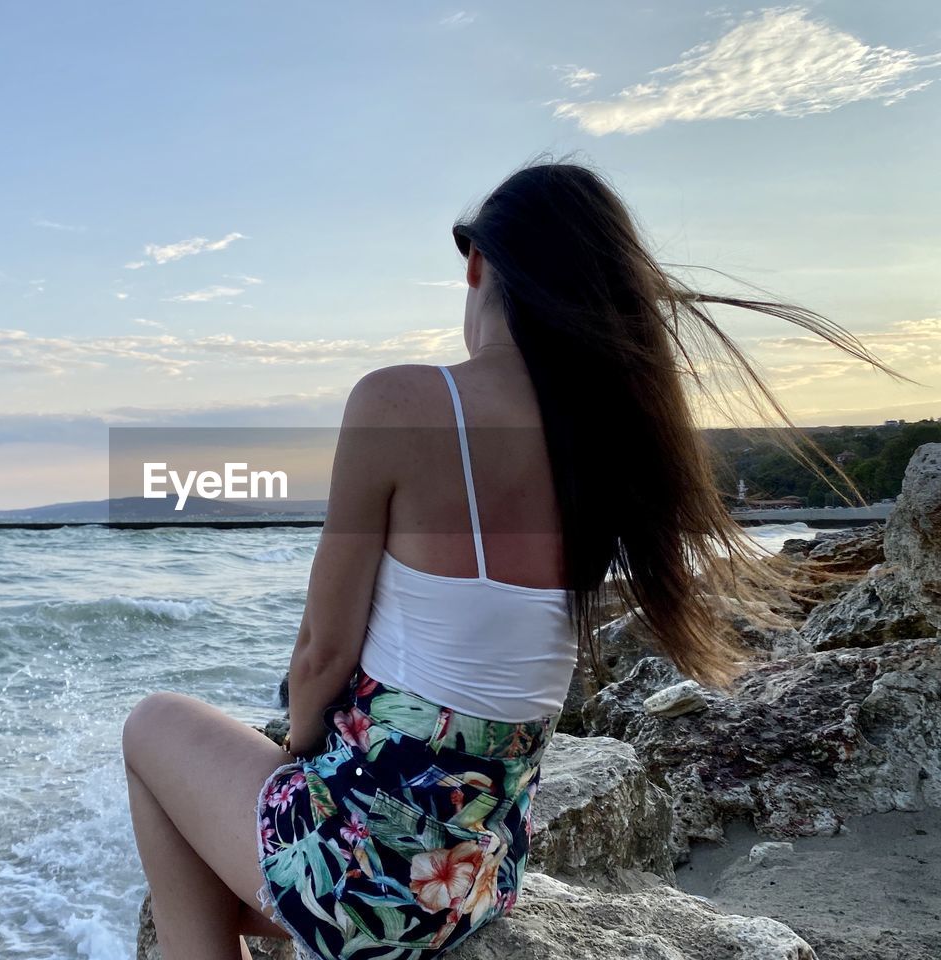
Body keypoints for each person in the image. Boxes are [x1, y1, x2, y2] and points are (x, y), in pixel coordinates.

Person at [121, 160, 896, 959]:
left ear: (477, 264)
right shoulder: (609, 446)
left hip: (371, 879)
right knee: (213, 842)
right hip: (473, 883)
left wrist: (292, 750)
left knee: (152, 728)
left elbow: (321, 653)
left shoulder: (401, 402)